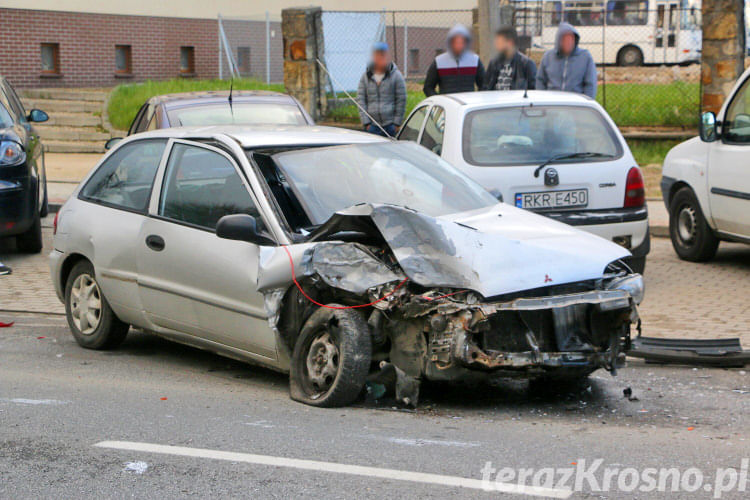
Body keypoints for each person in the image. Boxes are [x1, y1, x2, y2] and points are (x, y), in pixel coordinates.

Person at [356, 42, 407, 137]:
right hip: (372, 126)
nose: (380, 58)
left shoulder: (396, 76)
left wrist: (397, 123)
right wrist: (366, 123)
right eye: (377, 55)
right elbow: (361, 99)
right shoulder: (366, 77)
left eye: (383, 55)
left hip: (390, 126)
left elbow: (401, 99)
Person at [536, 22, 597, 98]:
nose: (568, 42)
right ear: (559, 40)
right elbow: (540, 81)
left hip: (575, 104)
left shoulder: (585, 57)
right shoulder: (548, 57)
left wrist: (586, 104)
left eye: (571, 38)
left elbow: (591, 85)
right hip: (552, 104)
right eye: (565, 39)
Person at [423, 24, 485, 96]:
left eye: (461, 42)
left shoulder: (475, 60)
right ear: (450, 43)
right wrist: (439, 100)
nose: (459, 46)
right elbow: (428, 87)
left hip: (468, 104)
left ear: (466, 43)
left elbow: (484, 85)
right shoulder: (439, 61)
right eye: (456, 42)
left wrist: (476, 100)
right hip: (447, 105)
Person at [484, 25, 537, 91]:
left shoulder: (526, 64)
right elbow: (486, 86)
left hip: (515, 101)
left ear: (510, 42)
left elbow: (533, 90)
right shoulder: (494, 63)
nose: (496, 44)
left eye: (499, 42)